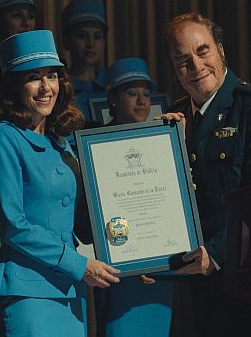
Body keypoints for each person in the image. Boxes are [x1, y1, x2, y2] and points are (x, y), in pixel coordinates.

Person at [158, 13, 251, 336]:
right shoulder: (171, 123)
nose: (195, 66)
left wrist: (217, 254)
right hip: (189, 286)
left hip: (245, 282)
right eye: (182, 60)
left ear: (221, 51)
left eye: (202, 51)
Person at [0, 30, 120, 335]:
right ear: (15, 85)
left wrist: (135, 253)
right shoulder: (3, 136)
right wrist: (79, 265)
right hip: (28, 293)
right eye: (34, 77)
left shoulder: (63, 143)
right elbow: (13, 225)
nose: (46, 87)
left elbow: (84, 219)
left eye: (52, 76)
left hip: (70, 293)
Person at [93, 57, 174, 336]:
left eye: (146, 94)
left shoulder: (162, 141)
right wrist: (130, 258)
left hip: (160, 271)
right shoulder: (96, 145)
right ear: (112, 99)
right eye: (131, 93)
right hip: (119, 270)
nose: (141, 101)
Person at [60, 0, 108, 126]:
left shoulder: (114, 82)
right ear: (66, 41)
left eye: (97, 36)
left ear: (104, 42)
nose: (90, 44)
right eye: (82, 36)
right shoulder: (58, 86)